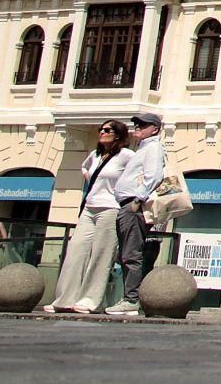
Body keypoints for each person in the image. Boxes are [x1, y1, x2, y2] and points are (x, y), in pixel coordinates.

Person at [48, 119, 133, 313]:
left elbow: (141, 172)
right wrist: (89, 178)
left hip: (111, 208)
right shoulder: (95, 155)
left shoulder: (126, 155)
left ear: (118, 135)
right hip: (89, 208)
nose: (102, 132)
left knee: (101, 255)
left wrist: (123, 192)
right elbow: (85, 168)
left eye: (107, 130)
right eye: (100, 129)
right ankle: (64, 299)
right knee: (76, 251)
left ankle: (89, 301)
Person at [105, 111, 165, 316]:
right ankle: (130, 298)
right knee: (127, 252)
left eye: (143, 125)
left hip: (133, 206)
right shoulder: (143, 148)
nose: (137, 127)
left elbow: (155, 175)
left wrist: (138, 200)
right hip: (128, 205)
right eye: (137, 124)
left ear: (154, 129)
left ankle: (131, 300)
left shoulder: (153, 147)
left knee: (131, 253)